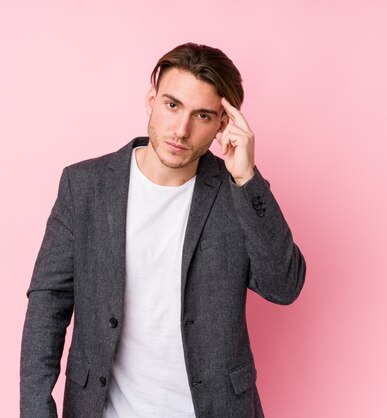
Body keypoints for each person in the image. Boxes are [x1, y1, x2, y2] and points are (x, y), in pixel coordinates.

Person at [20, 42, 306, 418]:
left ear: (223, 123)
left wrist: (246, 178)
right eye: (172, 105)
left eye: (202, 115)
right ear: (151, 100)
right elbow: (48, 304)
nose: (181, 130)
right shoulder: (84, 186)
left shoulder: (235, 193)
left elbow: (283, 287)